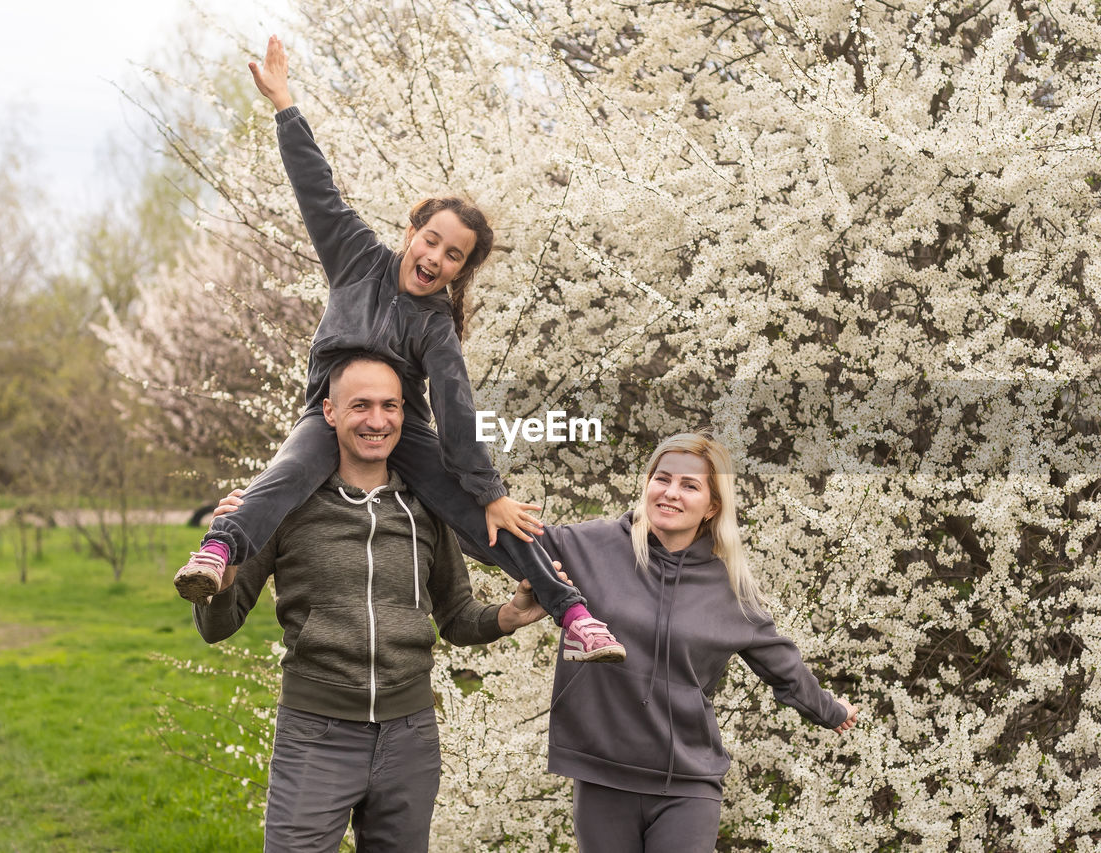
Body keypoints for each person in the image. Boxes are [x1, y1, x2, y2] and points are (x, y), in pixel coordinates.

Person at [175, 34, 623, 663]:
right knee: (286, 476)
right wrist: (285, 105)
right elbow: (317, 191)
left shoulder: (436, 326)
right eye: (431, 240)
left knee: (486, 516)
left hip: (403, 425)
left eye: (453, 255)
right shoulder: (357, 258)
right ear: (411, 232)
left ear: (461, 270)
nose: (435, 258)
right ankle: (220, 547)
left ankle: (572, 611)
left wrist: (488, 489)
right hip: (327, 413)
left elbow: (456, 407)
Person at [195, 352, 561, 852]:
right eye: (360, 405)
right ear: (328, 412)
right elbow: (218, 626)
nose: (377, 420)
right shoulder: (283, 504)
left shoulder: (424, 507)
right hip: (315, 735)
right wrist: (227, 571)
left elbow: (455, 616)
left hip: (409, 740)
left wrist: (509, 615)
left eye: (390, 406)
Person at [538, 433, 858, 852]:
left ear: (711, 506)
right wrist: (486, 502)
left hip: (687, 783)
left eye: (689, 485)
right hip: (603, 775)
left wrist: (831, 711)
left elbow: (784, 667)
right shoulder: (592, 545)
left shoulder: (730, 589)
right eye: (662, 479)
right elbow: (503, 543)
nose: (670, 493)